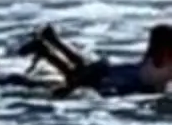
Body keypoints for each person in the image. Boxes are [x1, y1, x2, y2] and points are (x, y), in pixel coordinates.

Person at [20, 21, 172, 96]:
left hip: (121, 76)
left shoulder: (157, 60)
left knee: (79, 69)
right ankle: (47, 49)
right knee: (76, 76)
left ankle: (52, 42)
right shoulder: (160, 61)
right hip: (120, 79)